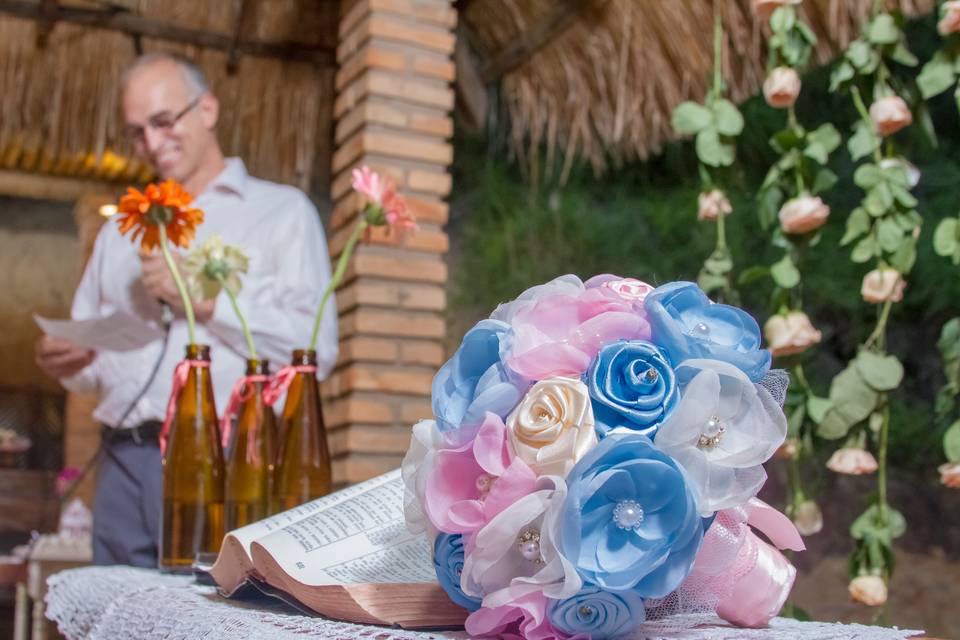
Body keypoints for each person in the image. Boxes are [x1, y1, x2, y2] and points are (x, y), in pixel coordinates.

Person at [34, 52, 338, 568]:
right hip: (122, 462)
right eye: (136, 132)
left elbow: (317, 353)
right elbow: (97, 366)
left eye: (162, 121)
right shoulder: (118, 232)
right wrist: (74, 360)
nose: (152, 144)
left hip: (225, 461)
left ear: (208, 109)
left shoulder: (280, 213)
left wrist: (209, 304)